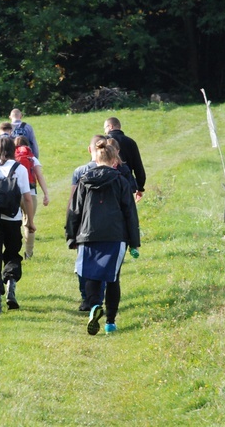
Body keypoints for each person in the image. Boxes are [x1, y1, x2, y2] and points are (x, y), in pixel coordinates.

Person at [66, 138, 140, 335]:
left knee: (91, 274)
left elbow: (75, 210)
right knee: (112, 278)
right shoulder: (121, 181)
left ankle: (94, 306)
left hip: (88, 235)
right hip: (116, 236)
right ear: (114, 159)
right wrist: (134, 241)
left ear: (95, 158)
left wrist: (71, 236)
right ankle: (110, 321)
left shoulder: (83, 181)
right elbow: (130, 213)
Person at [0, 137, 34, 315]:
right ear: (13, 150)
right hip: (13, 218)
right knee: (12, 253)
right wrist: (30, 220)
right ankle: (11, 282)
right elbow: (26, 197)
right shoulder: (20, 169)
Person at [69, 134, 106, 311]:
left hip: (84, 225)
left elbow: (73, 201)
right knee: (104, 261)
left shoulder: (80, 171)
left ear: (89, 149)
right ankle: (99, 298)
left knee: (83, 263)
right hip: (107, 225)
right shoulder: (114, 172)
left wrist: (71, 228)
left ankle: (86, 298)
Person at [14, 135, 49, 258]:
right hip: (31, 193)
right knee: (29, 224)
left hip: (14, 194)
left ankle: (13, 251)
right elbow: (39, 177)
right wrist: (46, 194)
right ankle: (28, 253)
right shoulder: (32, 158)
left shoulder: (12, 158)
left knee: (13, 223)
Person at [104, 117, 146, 202]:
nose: (104, 131)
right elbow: (138, 166)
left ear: (111, 126)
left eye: (105, 128)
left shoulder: (104, 142)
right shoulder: (131, 142)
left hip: (107, 184)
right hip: (127, 185)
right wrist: (140, 187)